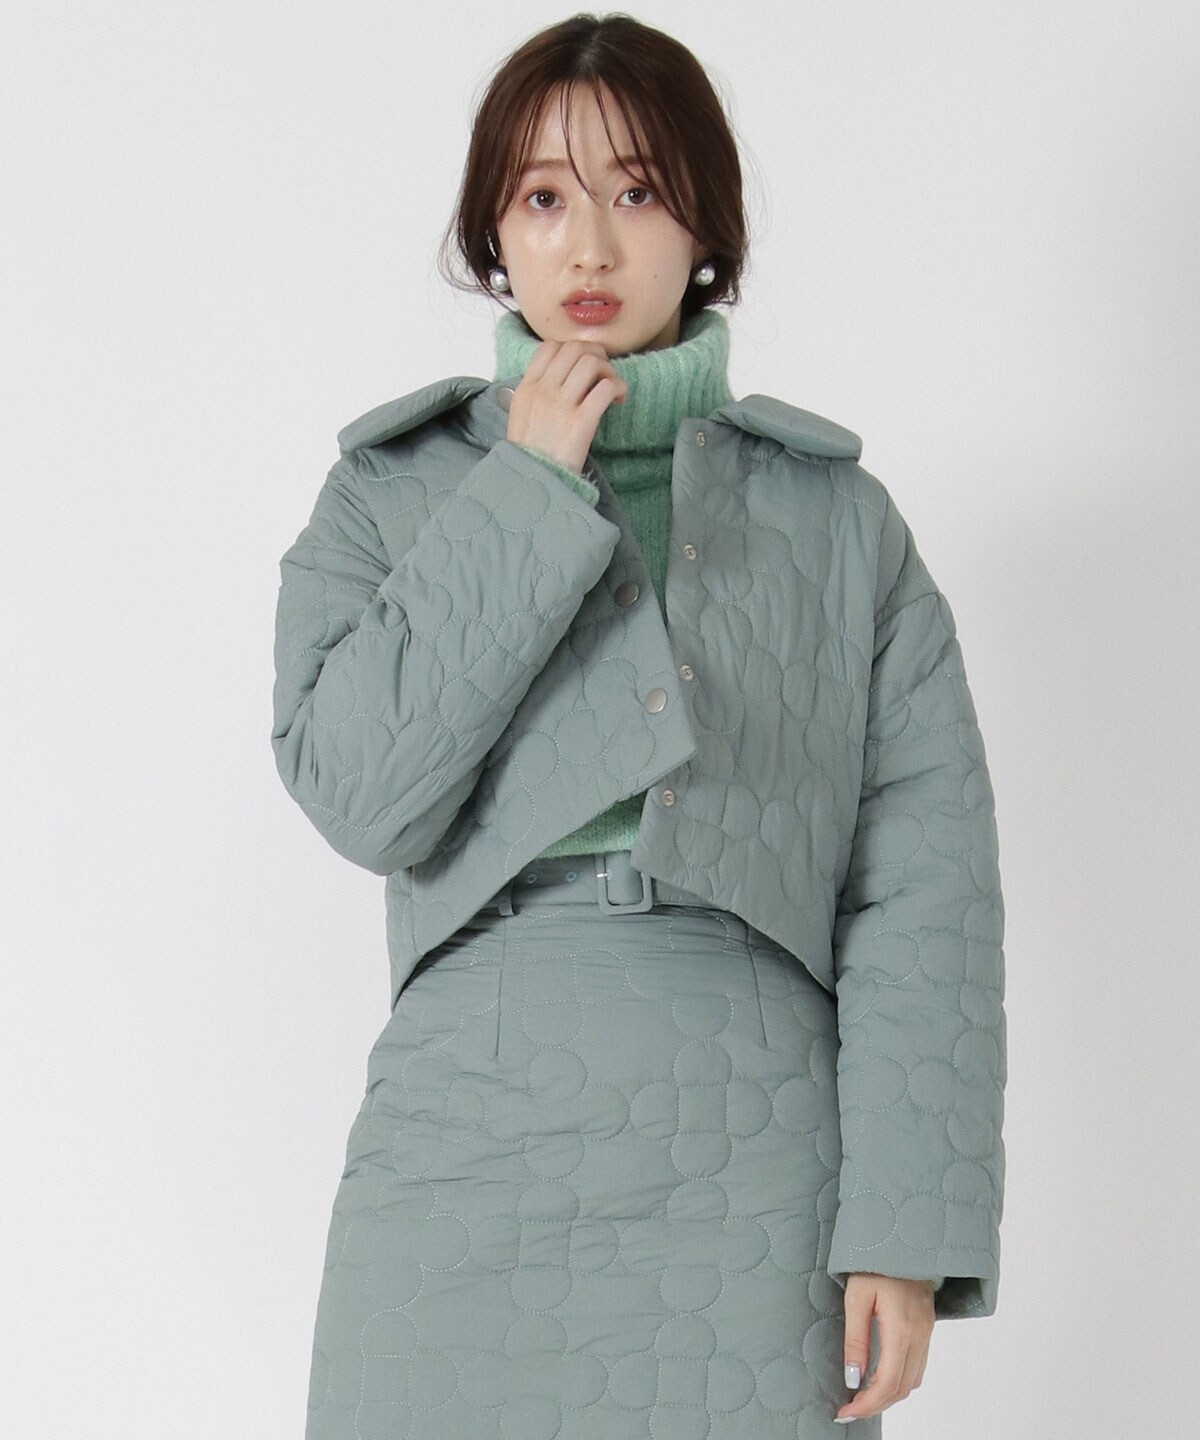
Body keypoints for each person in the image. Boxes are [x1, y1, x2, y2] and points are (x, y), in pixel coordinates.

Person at [270, 12, 1007, 1438]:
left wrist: (907, 1230)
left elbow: (928, 896)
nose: (590, 245)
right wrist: (528, 488)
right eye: (544, 197)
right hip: (460, 1136)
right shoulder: (388, 492)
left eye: (638, 190)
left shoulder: (839, 521)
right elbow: (357, 795)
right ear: (494, 232)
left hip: (756, 1151)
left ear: (706, 225)